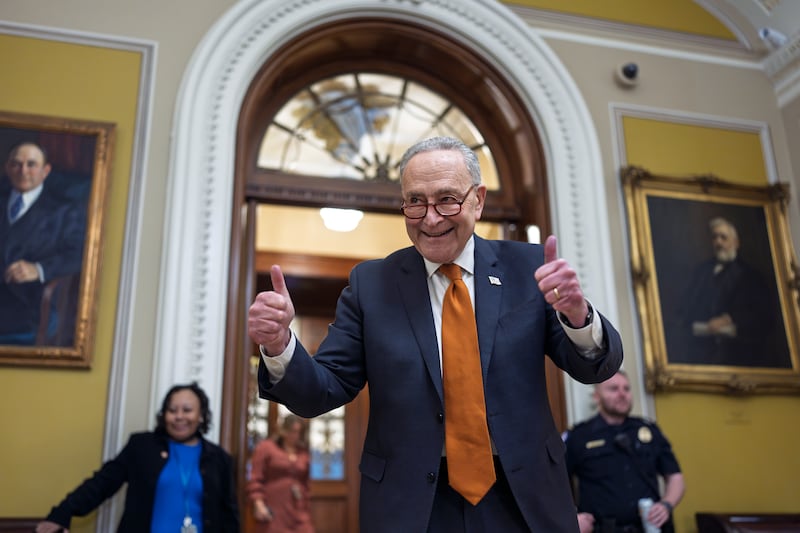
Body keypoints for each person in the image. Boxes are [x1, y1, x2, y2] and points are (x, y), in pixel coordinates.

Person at [248, 136, 624, 532]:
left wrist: (578, 316)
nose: (430, 218)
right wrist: (278, 345)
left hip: (522, 495)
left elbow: (594, 369)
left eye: (447, 199)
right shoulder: (372, 284)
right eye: (415, 201)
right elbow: (322, 390)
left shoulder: (526, 269)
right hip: (413, 504)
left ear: (478, 200)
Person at [35, 382, 240, 533]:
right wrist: (62, 513)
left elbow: (229, 516)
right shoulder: (141, 446)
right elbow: (102, 483)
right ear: (164, 415)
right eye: (172, 410)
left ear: (201, 416)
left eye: (187, 410)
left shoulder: (219, 459)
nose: (179, 416)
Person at [564, 370, 685, 533]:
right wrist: (570, 519)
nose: (622, 394)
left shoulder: (648, 430)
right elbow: (554, 483)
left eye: (626, 389)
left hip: (650, 528)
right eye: (614, 389)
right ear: (596, 397)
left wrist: (666, 504)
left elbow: (675, 477)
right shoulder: (579, 436)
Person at [0, 141, 85, 345]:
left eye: (31, 164)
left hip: (28, 303)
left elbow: (79, 253)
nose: (23, 171)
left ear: (45, 171)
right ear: (7, 168)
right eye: (16, 164)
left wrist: (38, 269)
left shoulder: (64, 211)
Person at [669, 216, 782, 367]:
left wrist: (729, 318)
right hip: (703, 351)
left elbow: (762, 314)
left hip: (739, 353)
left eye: (724, 237)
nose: (719, 242)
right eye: (715, 237)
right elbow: (686, 308)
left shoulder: (750, 276)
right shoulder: (701, 272)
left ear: (736, 243)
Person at [247, 414, 315, 533]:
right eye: (293, 431)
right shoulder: (266, 448)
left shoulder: (303, 452)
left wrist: (305, 503)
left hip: (298, 509)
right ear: (283, 430)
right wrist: (258, 503)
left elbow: (306, 483)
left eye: (299, 432)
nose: (295, 436)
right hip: (274, 508)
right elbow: (255, 478)